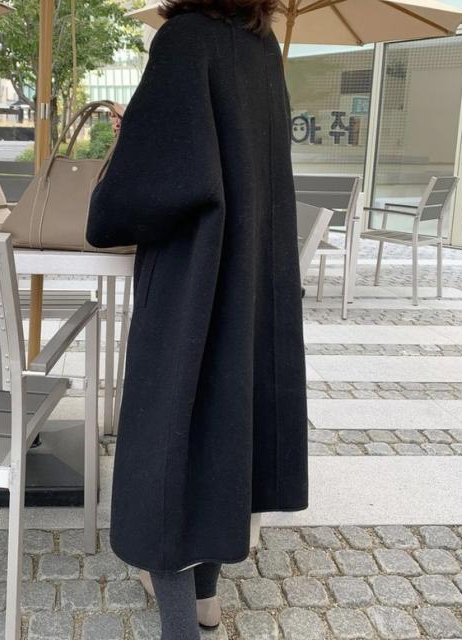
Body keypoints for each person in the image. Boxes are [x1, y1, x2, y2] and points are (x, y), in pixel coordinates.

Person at [86, 0, 308, 637]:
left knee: (167, 448)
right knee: (220, 432)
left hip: (194, 279)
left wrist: (129, 146)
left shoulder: (184, 40)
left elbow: (153, 186)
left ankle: (178, 628)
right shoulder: (262, 47)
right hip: (250, 277)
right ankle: (205, 601)